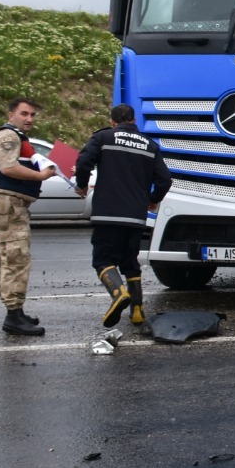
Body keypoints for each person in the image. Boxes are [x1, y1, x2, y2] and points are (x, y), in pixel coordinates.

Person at [75, 104, 172, 331]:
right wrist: (152, 199)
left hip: (107, 213)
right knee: (130, 263)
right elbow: (165, 180)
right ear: (134, 120)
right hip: (136, 216)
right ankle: (137, 311)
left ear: (113, 122)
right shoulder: (150, 145)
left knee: (102, 260)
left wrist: (81, 184)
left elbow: (83, 162)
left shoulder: (103, 137)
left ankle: (118, 293)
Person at [0, 97, 60, 336]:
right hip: (8, 205)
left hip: (11, 204)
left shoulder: (17, 137)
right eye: (24, 114)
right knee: (16, 259)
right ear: (11, 115)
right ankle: (13, 316)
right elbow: (8, 168)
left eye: (32, 115)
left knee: (12, 258)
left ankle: (16, 311)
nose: (29, 119)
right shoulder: (7, 136)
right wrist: (41, 176)